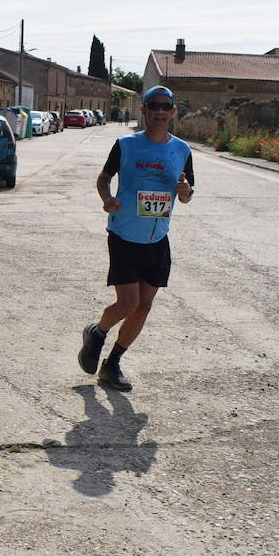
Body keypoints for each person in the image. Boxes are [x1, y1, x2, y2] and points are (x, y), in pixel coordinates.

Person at [78, 85, 194, 392]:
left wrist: (185, 193)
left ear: (173, 112)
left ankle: (112, 363)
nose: (160, 111)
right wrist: (107, 198)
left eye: (166, 106)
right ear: (144, 110)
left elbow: (186, 194)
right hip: (124, 234)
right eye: (154, 106)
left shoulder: (182, 150)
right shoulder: (126, 145)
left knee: (144, 306)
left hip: (157, 238)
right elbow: (104, 177)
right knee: (127, 303)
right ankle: (97, 332)